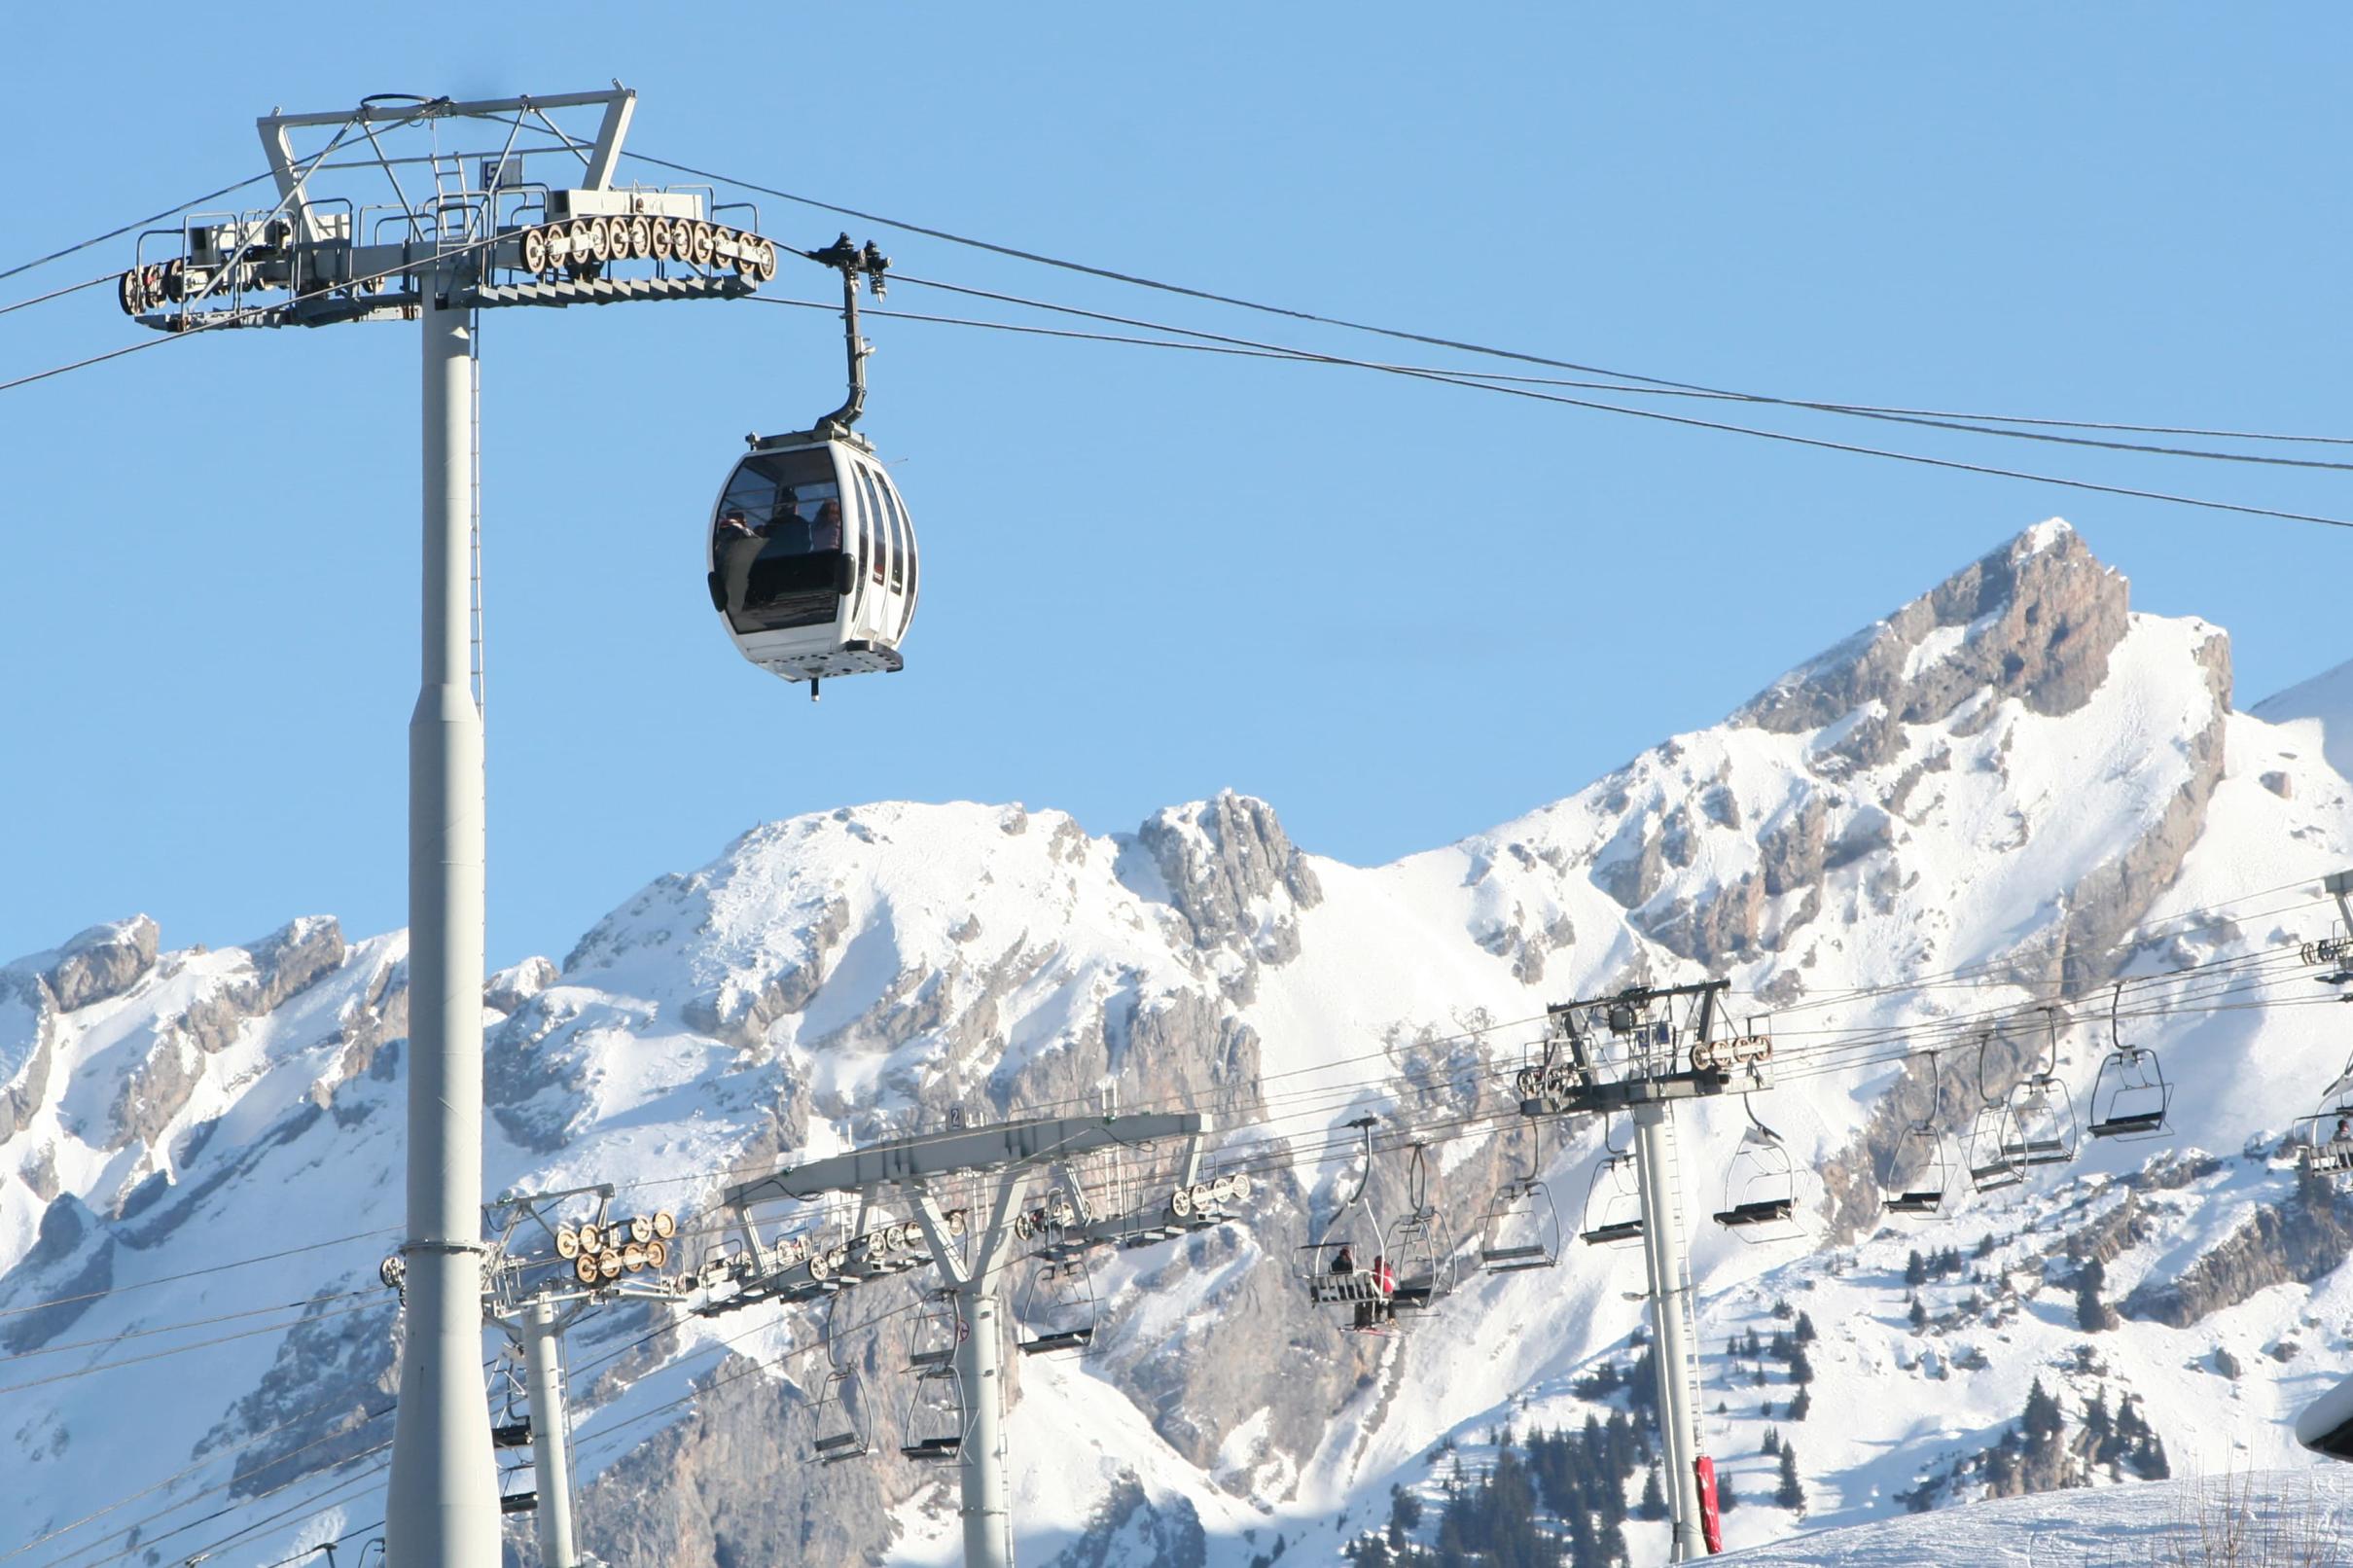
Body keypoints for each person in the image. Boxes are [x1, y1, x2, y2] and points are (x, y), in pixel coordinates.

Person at [1373, 1255, 1398, 1324]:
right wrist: (1388, 1268)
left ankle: (1377, 1313)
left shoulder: (1374, 1272)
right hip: (1385, 1292)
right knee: (1391, 1298)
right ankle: (1391, 1317)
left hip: (1378, 1292)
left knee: (1378, 1297)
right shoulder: (1385, 1271)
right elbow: (1389, 1276)